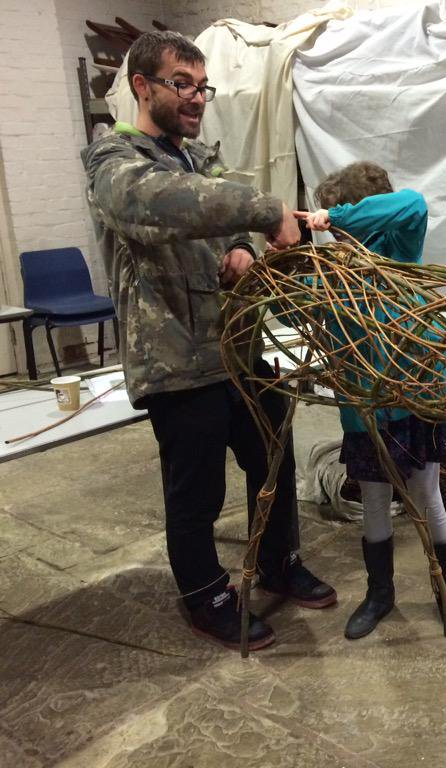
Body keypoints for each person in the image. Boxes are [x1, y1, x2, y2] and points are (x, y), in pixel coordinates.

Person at [81, 31, 336, 651]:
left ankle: (278, 560)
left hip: (236, 347)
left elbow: (224, 222)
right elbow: (163, 203)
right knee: (196, 489)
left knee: (272, 454)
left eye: (202, 87)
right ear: (142, 86)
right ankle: (205, 595)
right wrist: (260, 209)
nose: (196, 98)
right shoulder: (113, 159)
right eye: (182, 84)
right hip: (174, 358)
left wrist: (246, 246)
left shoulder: (202, 158)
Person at [300, 162, 446, 640]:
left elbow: (413, 204)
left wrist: (338, 218)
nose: (339, 239)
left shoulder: (398, 255)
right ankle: (380, 594)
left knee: (427, 496)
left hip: (415, 405)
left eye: (346, 221)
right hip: (364, 412)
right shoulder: (335, 276)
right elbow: (294, 302)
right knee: (375, 502)